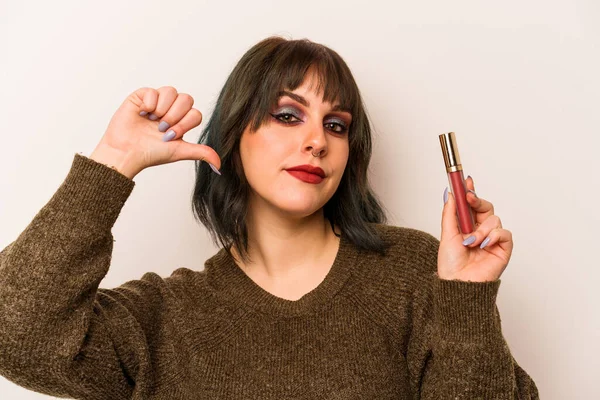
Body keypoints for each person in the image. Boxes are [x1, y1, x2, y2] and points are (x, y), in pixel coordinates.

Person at [0, 36, 538, 399]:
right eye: (287, 115)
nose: (315, 141)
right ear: (234, 134)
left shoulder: (419, 269)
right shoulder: (163, 320)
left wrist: (466, 299)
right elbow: (13, 333)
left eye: (336, 125)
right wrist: (113, 163)